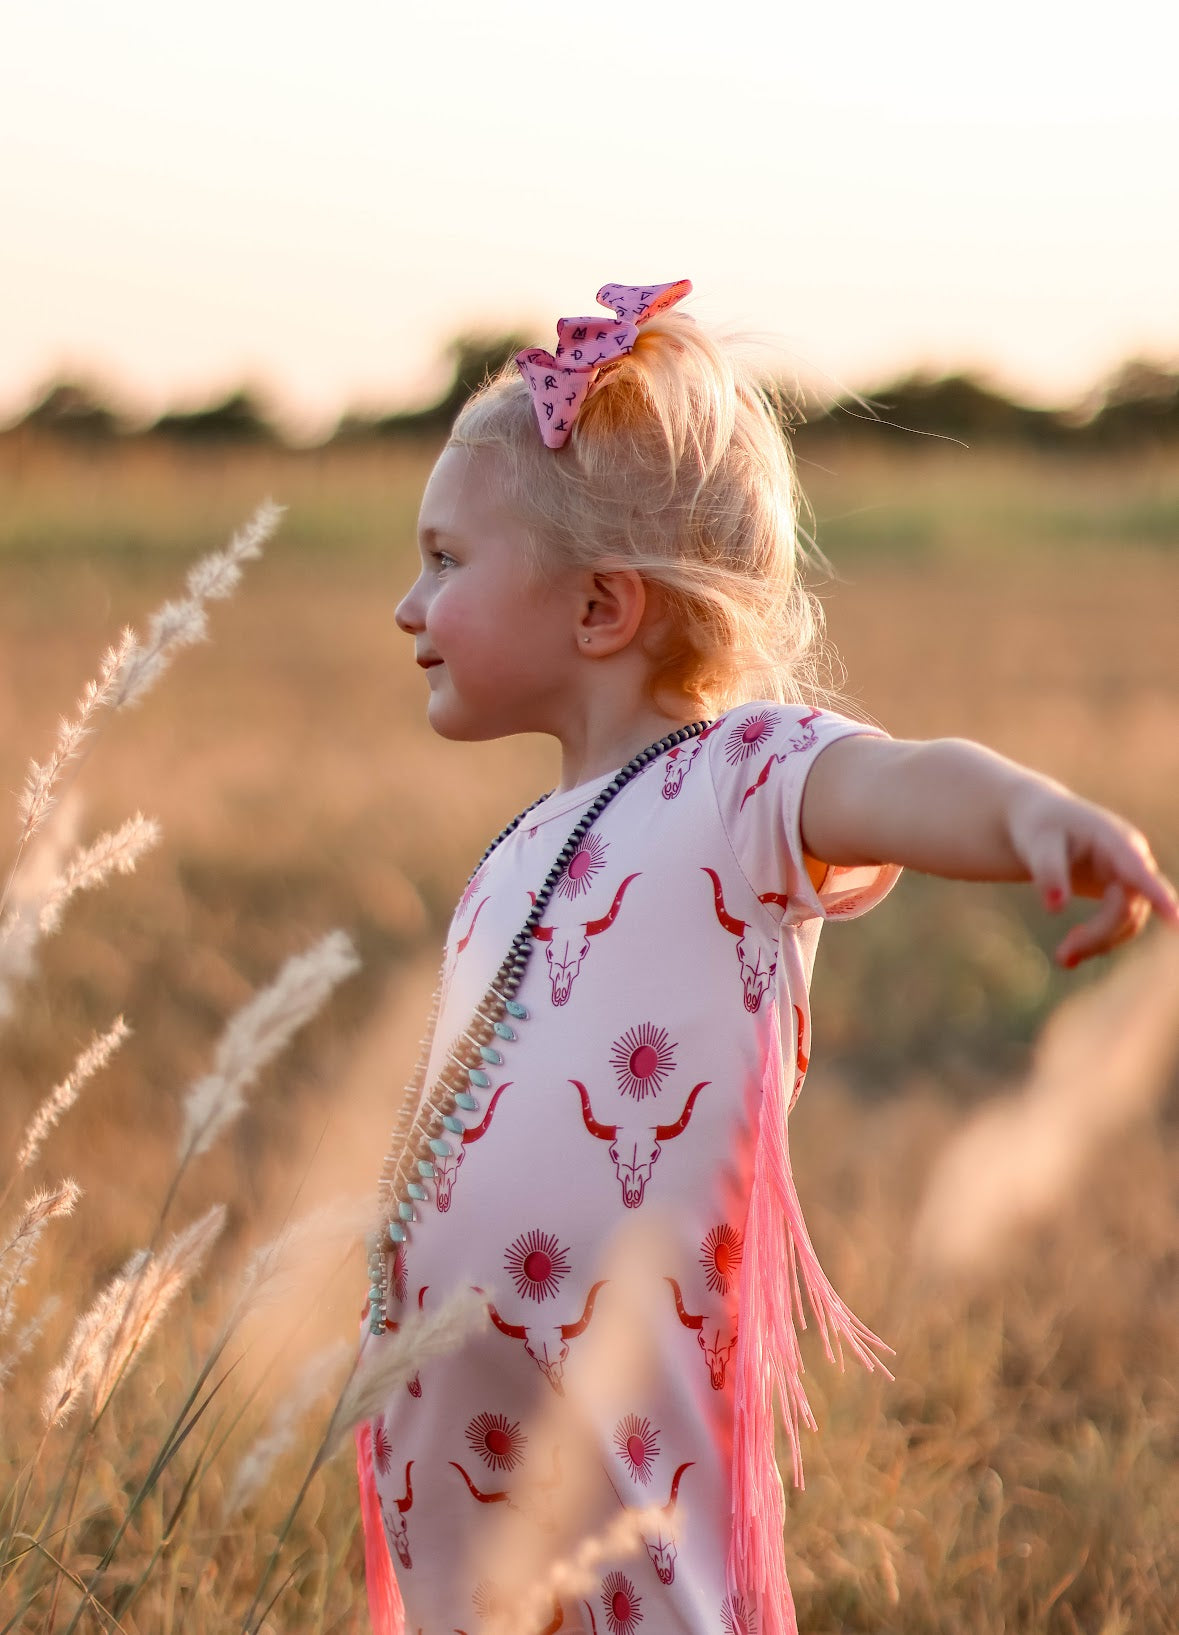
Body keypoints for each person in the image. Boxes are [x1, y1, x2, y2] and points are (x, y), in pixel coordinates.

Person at [357, 281, 1178, 1635]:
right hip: (471, 1441)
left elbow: (902, 778)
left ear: (602, 608)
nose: (407, 604)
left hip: (631, 1438)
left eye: (446, 560)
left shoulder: (737, 781)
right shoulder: (509, 855)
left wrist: (1032, 813)